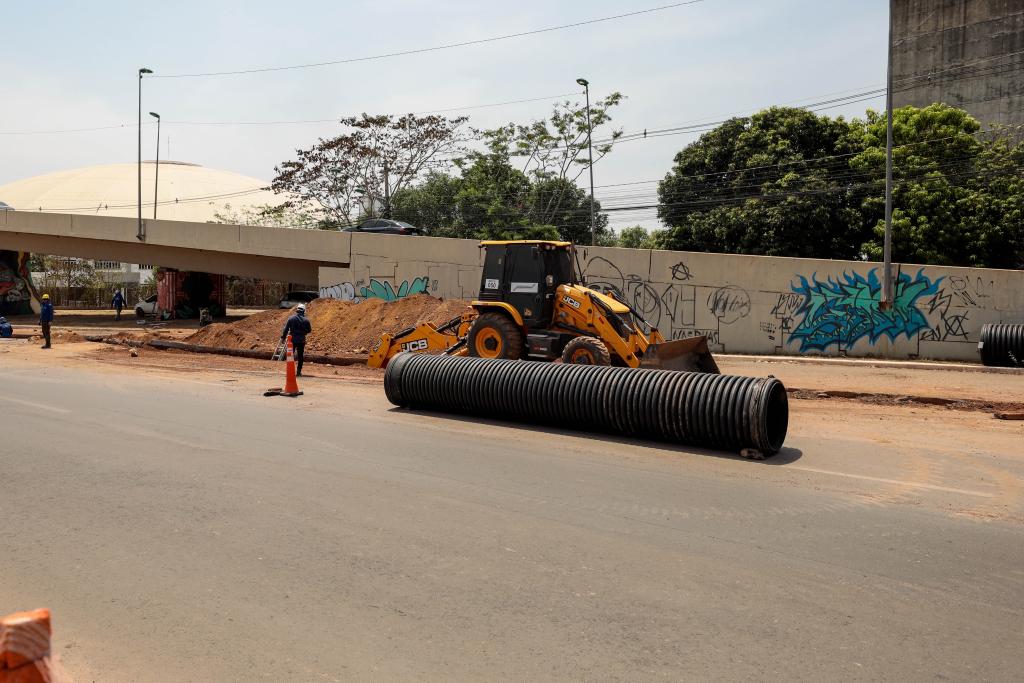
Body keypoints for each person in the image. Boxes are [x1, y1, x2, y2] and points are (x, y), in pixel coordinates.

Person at [281, 303, 312, 376]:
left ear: (297, 310)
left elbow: (286, 329)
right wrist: (304, 332)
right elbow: (309, 330)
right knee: (300, 356)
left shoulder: (291, 319)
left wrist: (283, 338)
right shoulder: (306, 320)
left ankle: (290, 370)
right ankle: (298, 371)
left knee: (290, 356)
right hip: (301, 340)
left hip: (292, 340)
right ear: (304, 311)